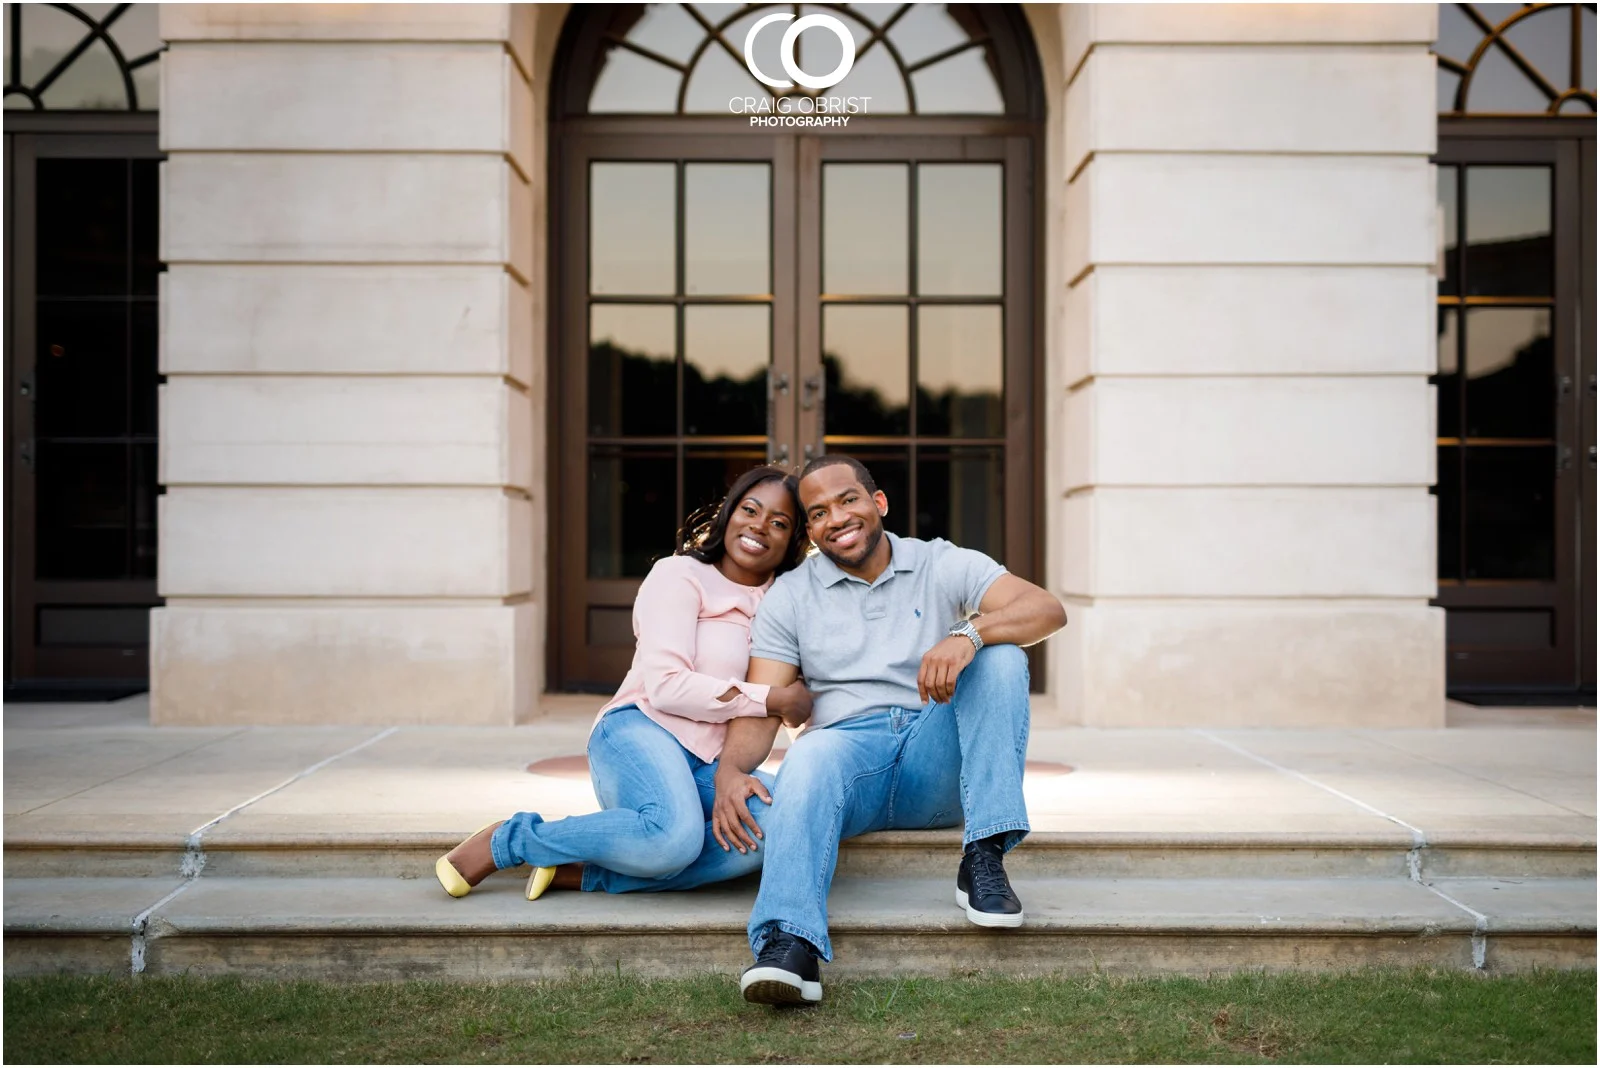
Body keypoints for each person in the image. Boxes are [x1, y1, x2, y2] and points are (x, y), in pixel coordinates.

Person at [712, 454, 1068, 1006]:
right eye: (819, 512)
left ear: (878, 503)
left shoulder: (940, 562)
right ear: (810, 530)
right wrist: (731, 771)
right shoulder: (790, 596)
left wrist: (970, 634)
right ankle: (790, 945)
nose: (837, 518)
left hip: (937, 757)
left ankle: (984, 858)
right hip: (849, 762)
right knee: (805, 756)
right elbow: (764, 703)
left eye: (848, 500)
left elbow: (1045, 609)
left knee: (1002, 659)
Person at [434, 465, 813, 900]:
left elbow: (799, 700)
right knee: (674, 837)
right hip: (642, 729)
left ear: (793, 540)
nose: (759, 526)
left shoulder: (784, 604)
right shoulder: (679, 575)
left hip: (711, 761)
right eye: (750, 509)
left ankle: (579, 873)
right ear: (728, 513)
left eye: (779, 522)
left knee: (784, 815)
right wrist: (772, 699)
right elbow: (668, 686)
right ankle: (511, 840)